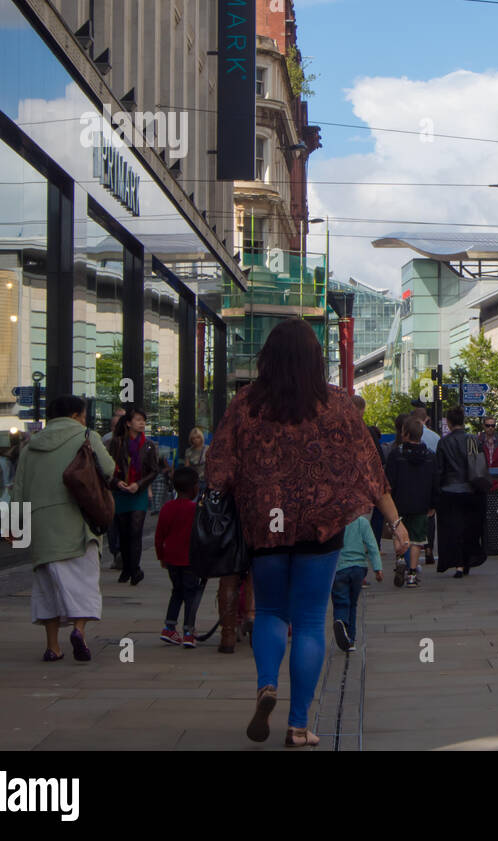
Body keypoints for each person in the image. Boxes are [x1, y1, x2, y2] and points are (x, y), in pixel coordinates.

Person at [205, 318, 408, 748]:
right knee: (312, 620)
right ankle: (298, 725)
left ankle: (265, 684)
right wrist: (396, 522)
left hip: (267, 527)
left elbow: (218, 468)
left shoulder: (245, 404)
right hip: (320, 526)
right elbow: (370, 469)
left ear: (268, 358)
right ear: (316, 359)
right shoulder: (336, 405)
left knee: (272, 612)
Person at [10, 394, 116, 662]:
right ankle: (79, 632)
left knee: (47, 587)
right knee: (83, 582)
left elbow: (19, 492)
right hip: (78, 523)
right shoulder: (86, 436)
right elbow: (110, 469)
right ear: (75, 416)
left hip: (42, 526)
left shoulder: (30, 447)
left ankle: (52, 646)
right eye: (82, 415)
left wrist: (14, 525)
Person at [107, 405, 161, 586]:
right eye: (138, 420)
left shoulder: (149, 445)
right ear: (128, 423)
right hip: (121, 491)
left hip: (139, 491)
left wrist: (139, 485)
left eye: (143, 421)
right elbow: (108, 467)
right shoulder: (117, 442)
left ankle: (134, 568)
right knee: (123, 531)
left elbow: (154, 470)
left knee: (136, 530)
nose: (142, 423)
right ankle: (127, 568)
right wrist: (116, 482)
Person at [385, 416, 438, 587]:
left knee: (398, 533)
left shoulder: (396, 454)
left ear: (405, 434)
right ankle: (412, 574)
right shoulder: (430, 456)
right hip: (421, 503)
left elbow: (389, 481)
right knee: (417, 539)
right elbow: (434, 482)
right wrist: (433, 504)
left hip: (399, 503)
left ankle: (400, 559)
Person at [434, 405, 486, 578]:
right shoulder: (472, 440)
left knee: (452, 529)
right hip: (470, 490)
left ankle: (457, 564)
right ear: (463, 421)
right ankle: (467, 560)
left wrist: (436, 492)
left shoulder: (444, 442)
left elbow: (439, 470)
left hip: (449, 491)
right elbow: (480, 465)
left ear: (448, 423)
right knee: (469, 528)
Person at [156, 465, 202, 648]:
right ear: (193, 488)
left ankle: (169, 627)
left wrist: (161, 557)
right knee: (191, 594)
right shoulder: (195, 509)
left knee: (177, 591)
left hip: (171, 559)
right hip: (190, 559)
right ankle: (189, 632)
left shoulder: (167, 507)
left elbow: (159, 536)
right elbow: (200, 537)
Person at [331, 512, 383, 652]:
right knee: (353, 604)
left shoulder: (334, 521)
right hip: (358, 569)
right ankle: (351, 639)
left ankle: (341, 621)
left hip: (339, 568)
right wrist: (377, 568)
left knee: (341, 601)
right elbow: (372, 545)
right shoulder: (362, 522)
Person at [103, 407, 126, 569]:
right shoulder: (106, 440)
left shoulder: (133, 441)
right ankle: (116, 551)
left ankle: (122, 552)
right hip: (111, 487)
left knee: (124, 522)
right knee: (112, 523)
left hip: (127, 488)